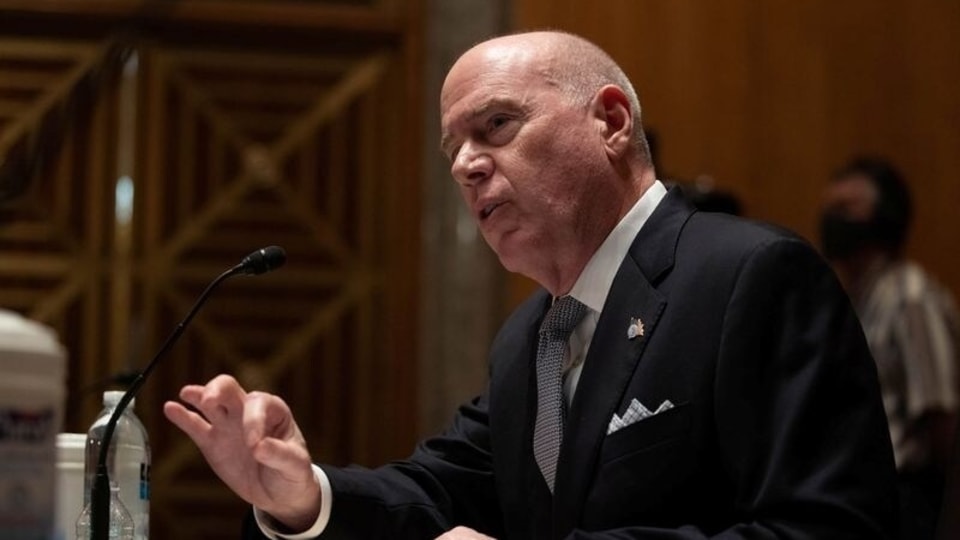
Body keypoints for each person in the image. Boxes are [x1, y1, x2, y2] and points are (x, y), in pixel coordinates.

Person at [165, 31, 899, 539]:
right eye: (454, 148)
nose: (466, 165)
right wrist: (302, 494)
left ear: (610, 121)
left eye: (497, 125)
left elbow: (828, 528)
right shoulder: (531, 339)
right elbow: (445, 491)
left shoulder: (749, 276)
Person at [819, 156, 960, 539]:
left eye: (846, 209)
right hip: (862, 497)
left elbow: (942, 421)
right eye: (829, 210)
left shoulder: (912, 298)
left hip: (909, 500)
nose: (832, 220)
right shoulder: (857, 298)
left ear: (883, 219)